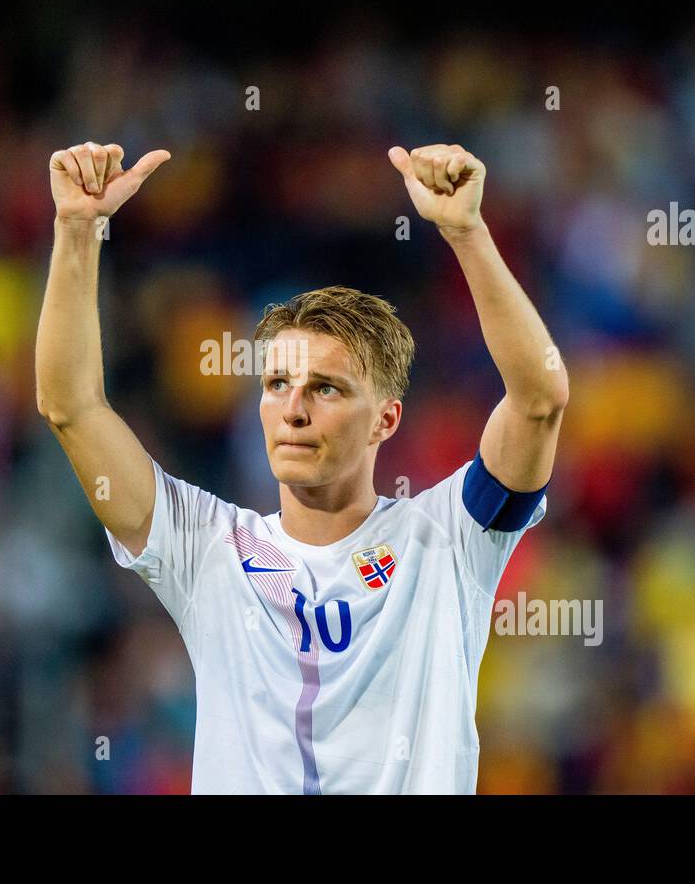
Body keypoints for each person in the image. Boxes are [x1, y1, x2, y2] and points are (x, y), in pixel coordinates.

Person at [35, 141, 568, 793]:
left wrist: (467, 232)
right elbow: (71, 407)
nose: (292, 409)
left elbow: (539, 399)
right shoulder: (205, 550)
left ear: (386, 420)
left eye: (326, 388)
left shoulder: (450, 539)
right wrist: (76, 230)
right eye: (276, 384)